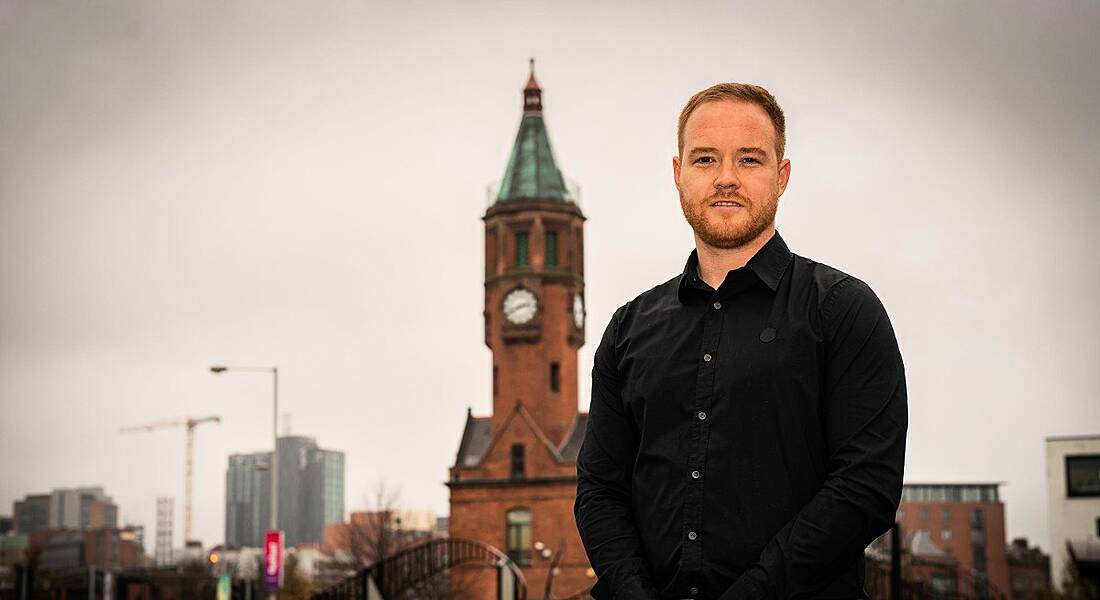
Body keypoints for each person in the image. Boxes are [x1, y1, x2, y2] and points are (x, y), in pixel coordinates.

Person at [573, 83, 908, 600]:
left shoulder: (843, 309)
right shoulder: (627, 329)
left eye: (749, 160)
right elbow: (599, 491)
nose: (726, 178)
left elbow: (865, 488)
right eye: (705, 159)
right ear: (678, 173)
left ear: (782, 175)